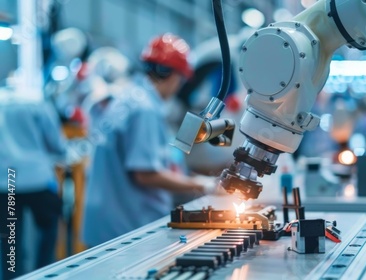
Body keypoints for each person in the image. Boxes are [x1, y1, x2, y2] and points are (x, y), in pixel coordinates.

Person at [81, 34, 212, 247]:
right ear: (172, 75)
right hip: (126, 227)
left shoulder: (127, 98)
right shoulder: (145, 109)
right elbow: (145, 175)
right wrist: (203, 184)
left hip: (104, 222)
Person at [0, 91, 66, 279]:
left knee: (10, 238)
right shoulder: (37, 103)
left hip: (8, 179)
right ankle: (44, 272)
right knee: (48, 228)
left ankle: (12, 275)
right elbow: (56, 143)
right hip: (37, 177)